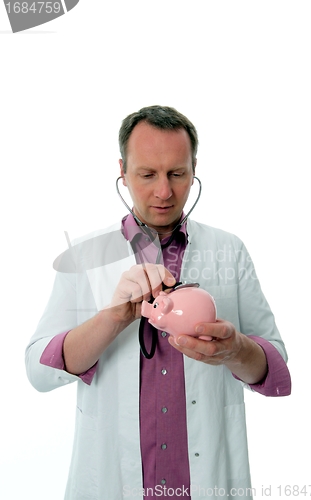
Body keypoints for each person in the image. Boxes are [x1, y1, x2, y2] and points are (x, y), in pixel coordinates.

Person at [26, 105, 291, 500]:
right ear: (122, 170)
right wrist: (113, 318)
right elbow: (39, 372)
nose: (164, 191)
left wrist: (235, 350)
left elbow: (277, 373)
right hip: (114, 482)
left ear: (194, 168)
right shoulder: (85, 256)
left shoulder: (228, 250)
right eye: (147, 174)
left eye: (177, 174)